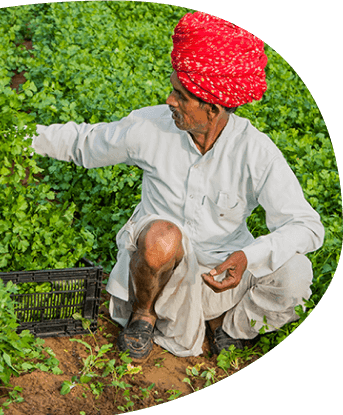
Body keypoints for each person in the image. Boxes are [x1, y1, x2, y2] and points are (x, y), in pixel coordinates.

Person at [30, 11, 324, 359]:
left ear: (212, 108)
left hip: (220, 271)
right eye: (173, 90)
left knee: (297, 271)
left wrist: (248, 255)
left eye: (181, 96)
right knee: (162, 236)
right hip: (158, 270)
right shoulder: (151, 126)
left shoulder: (255, 151)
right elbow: (84, 143)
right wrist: (17, 137)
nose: (170, 100)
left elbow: (306, 226)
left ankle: (230, 329)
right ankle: (143, 315)